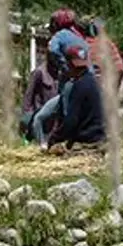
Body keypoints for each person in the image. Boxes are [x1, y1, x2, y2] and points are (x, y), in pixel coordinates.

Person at [33, 9, 90, 150]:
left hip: (70, 84)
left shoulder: (60, 35)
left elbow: (52, 49)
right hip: (84, 84)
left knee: (43, 118)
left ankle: (45, 146)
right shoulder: (81, 40)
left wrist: (63, 66)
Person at [46, 43, 106, 153]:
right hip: (100, 137)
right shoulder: (93, 82)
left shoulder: (79, 86)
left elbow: (71, 121)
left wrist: (55, 137)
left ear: (69, 64)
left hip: (87, 140)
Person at [20, 46, 58, 142]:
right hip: (41, 118)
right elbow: (28, 96)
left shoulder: (60, 72)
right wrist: (26, 119)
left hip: (55, 121)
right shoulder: (39, 72)